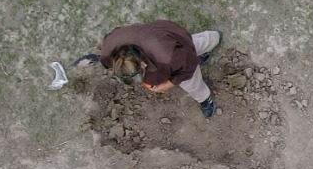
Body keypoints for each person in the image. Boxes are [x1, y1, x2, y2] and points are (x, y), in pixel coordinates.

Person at [92, 21, 222, 118]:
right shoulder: (108, 50)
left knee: (191, 78)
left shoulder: (167, 56)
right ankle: (212, 38)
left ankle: (205, 98)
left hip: (173, 43)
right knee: (193, 46)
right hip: (157, 36)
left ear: (143, 64)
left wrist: (168, 84)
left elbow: (189, 65)